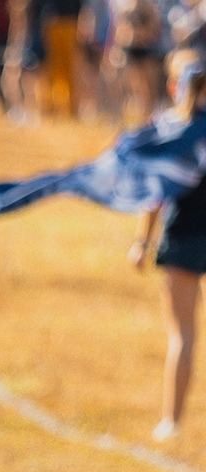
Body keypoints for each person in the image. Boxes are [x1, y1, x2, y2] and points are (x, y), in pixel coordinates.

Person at [134, 52, 206, 441]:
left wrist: (142, 241)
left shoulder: (171, 129)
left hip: (182, 237)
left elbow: (154, 195)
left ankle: (171, 422)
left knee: (182, 336)